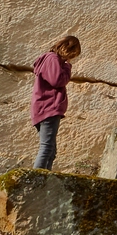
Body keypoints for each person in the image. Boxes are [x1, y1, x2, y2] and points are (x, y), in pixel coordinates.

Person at [31, 34, 80, 170]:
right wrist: (67, 67)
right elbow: (57, 80)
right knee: (46, 148)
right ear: (68, 49)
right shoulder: (52, 59)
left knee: (51, 150)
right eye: (73, 54)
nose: (70, 58)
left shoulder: (50, 60)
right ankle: (37, 180)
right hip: (49, 107)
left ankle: (45, 177)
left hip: (43, 107)